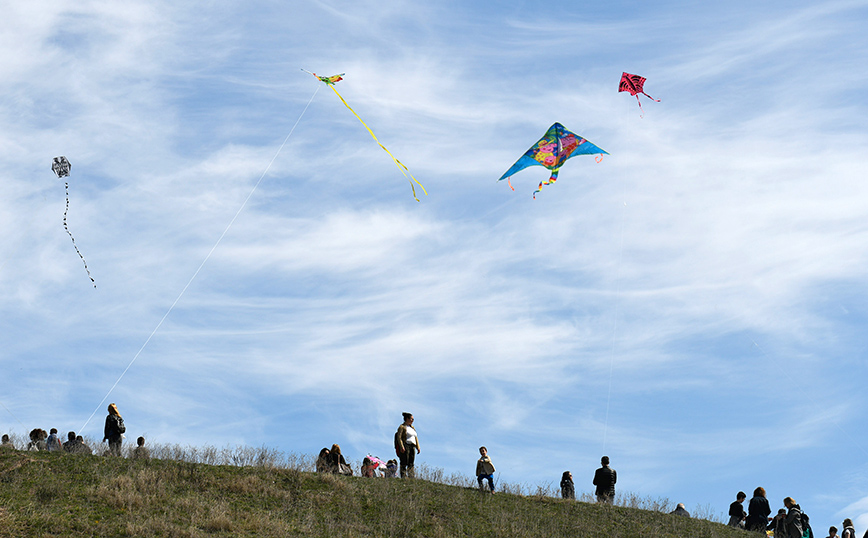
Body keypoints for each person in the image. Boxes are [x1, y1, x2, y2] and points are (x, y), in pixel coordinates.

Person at [394, 412, 420, 479]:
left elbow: (415, 438)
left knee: (411, 462)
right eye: (411, 419)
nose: (412, 420)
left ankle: (411, 476)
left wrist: (418, 447)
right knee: (404, 461)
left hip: (412, 446)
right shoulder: (402, 427)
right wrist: (401, 446)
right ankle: (403, 476)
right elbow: (399, 437)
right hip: (405, 445)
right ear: (407, 419)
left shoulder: (412, 428)